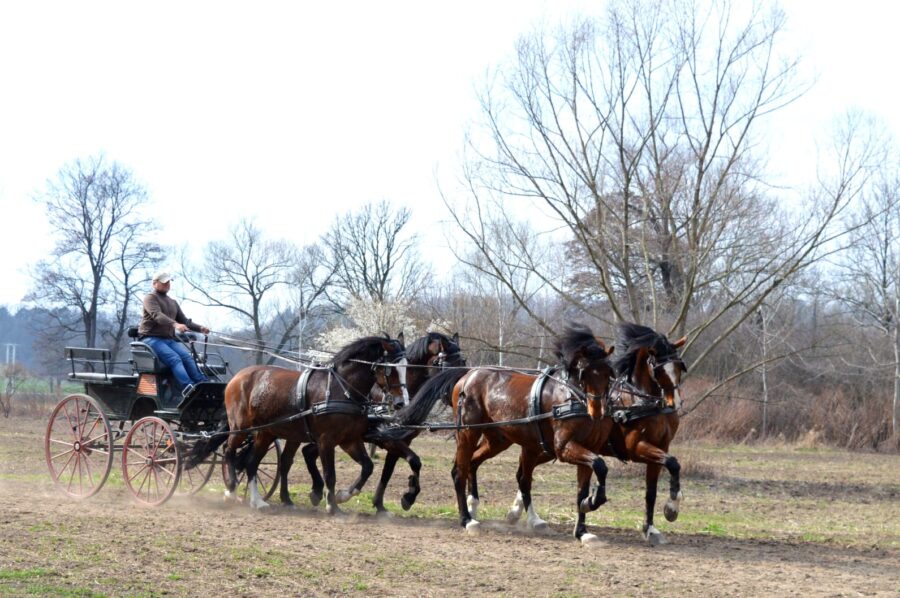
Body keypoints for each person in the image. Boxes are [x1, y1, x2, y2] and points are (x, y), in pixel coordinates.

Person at [138, 271, 210, 400]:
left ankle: (202, 384)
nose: (167, 284)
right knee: (174, 358)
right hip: (150, 338)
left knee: (187, 357)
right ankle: (189, 387)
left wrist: (200, 328)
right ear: (155, 284)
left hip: (167, 339)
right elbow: (157, 316)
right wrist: (175, 325)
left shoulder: (172, 302)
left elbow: (184, 320)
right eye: (164, 282)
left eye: (168, 282)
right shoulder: (150, 298)